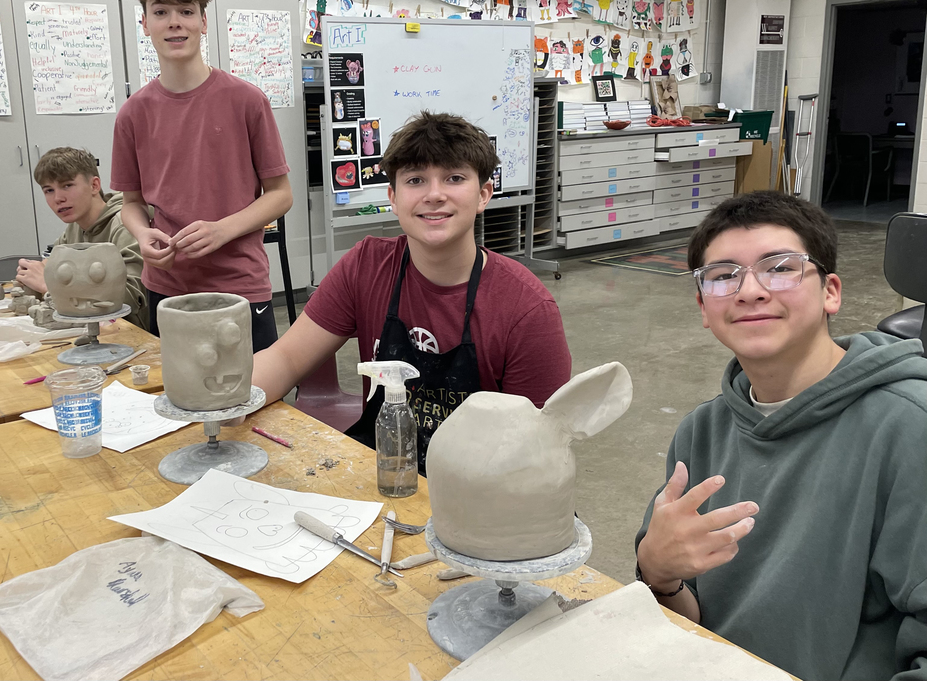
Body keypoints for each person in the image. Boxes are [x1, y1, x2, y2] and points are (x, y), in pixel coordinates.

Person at [634, 191, 927, 681]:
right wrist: (660, 576)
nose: (749, 291)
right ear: (703, 306)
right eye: (723, 276)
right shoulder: (701, 433)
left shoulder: (910, 428)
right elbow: (690, 624)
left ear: (831, 291)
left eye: (781, 268)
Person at [253, 111, 573, 470]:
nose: (434, 195)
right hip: (381, 472)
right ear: (393, 197)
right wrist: (223, 402)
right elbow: (286, 359)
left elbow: (538, 455)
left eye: (454, 178)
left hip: (483, 488)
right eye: (416, 180)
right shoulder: (366, 266)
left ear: (483, 194)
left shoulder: (527, 310)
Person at [111, 0, 293, 348]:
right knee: (177, 385)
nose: (174, 23)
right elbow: (131, 203)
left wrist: (222, 230)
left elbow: (280, 195)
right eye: (161, 12)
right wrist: (142, 233)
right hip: (166, 286)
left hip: (240, 285)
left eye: (186, 11)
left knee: (256, 385)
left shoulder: (247, 101)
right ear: (145, 24)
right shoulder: (133, 113)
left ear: (203, 21)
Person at [16, 147, 148, 330]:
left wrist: (52, 288)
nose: (58, 198)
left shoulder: (125, 225)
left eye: (67, 186)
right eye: (49, 190)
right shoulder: (75, 227)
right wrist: (30, 277)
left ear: (94, 185)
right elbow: (49, 267)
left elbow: (131, 298)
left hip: (128, 334)